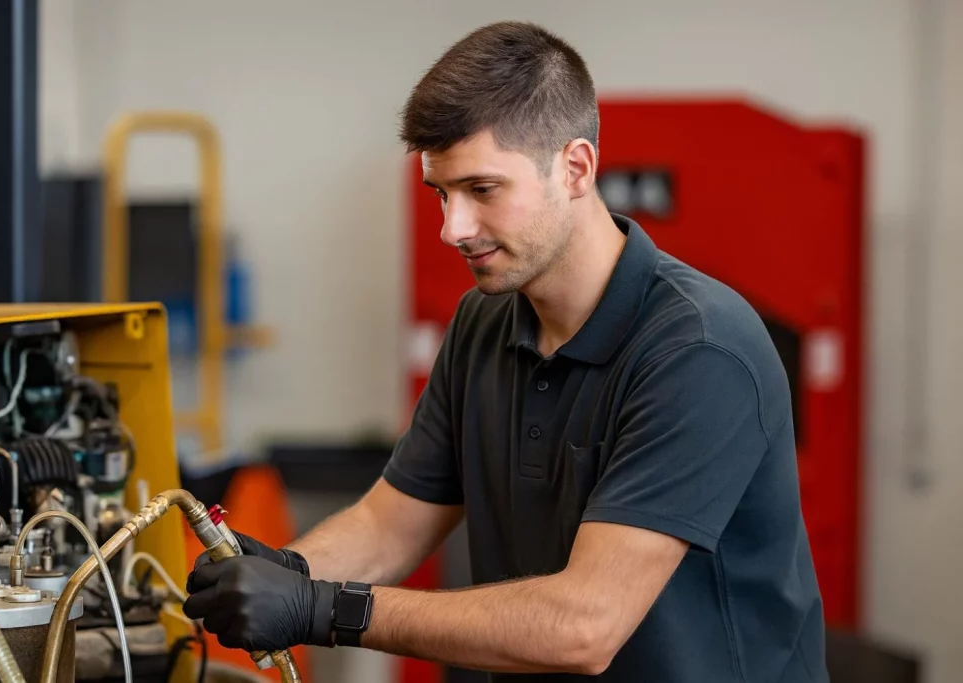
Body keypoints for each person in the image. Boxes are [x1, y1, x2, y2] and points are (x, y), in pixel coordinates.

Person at [183, 20, 828, 682]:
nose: (452, 228)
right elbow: (390, 524)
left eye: (483, 191)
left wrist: (324, 608)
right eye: (441, 192)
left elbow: (586, 625)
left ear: (575, 167)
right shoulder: (482, 322)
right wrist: (284, 572)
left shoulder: (699, 347)